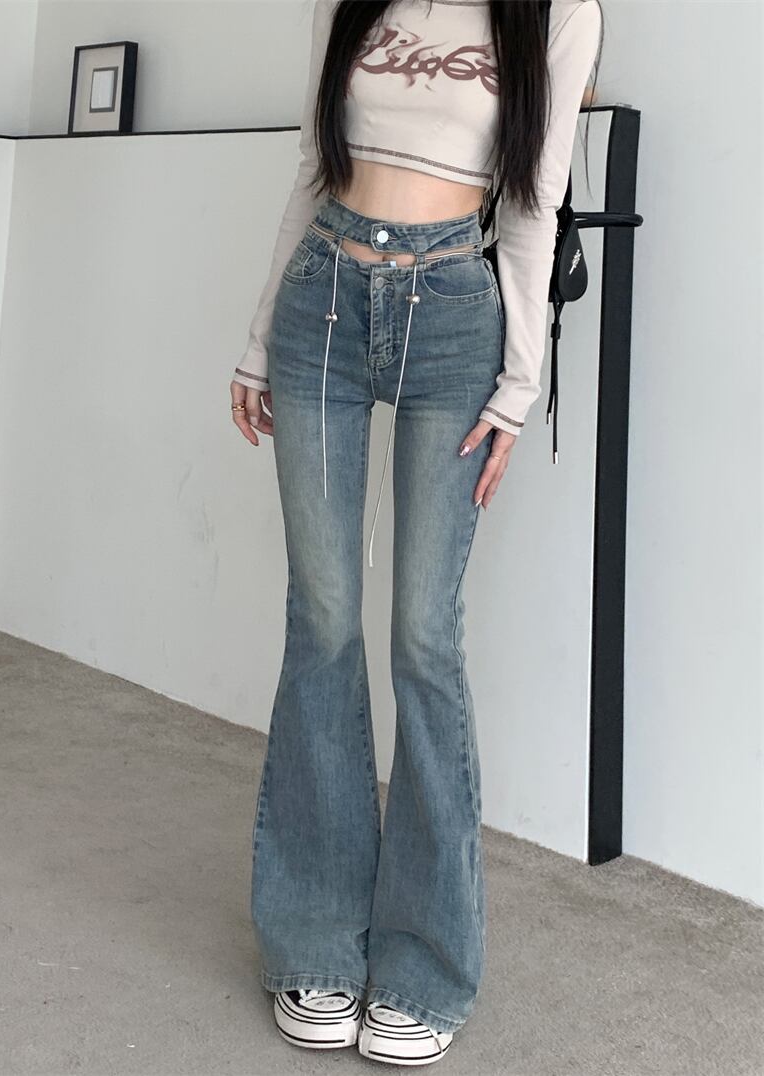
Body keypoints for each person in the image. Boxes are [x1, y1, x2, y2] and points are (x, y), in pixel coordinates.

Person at [230, 0, 602, 1065]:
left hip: (452, 311)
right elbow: (314, 166)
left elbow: (532, 201)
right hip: (324, 302)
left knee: (423, 640)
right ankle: (316, 940)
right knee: (323, 622)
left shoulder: (558, 12)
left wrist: (519, 384)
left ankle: (424, 962)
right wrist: (257, 337)